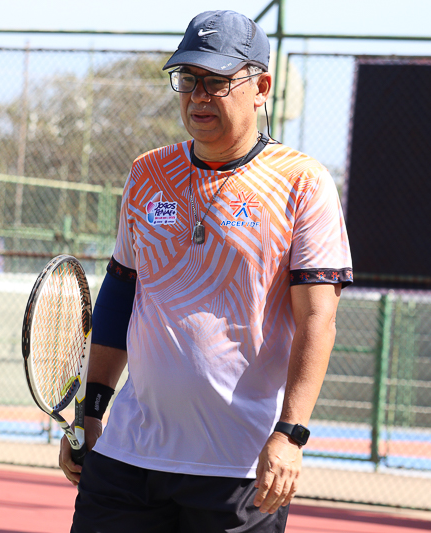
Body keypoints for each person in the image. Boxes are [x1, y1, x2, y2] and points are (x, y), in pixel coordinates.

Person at [60, 10, 352, 533]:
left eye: (216, 82)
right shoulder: (147, 172)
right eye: (188, 79)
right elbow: (121, 296)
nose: (198, 96)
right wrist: (91, 411)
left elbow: (318, 320)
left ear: (261, 87)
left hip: (238, 471)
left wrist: (291, 434)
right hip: (128, 457)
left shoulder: (303, 182)